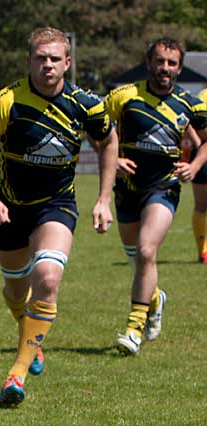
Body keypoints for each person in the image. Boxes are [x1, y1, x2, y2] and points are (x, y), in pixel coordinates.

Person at [0, 27, 118, 405]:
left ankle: (15, 376)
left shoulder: (86, 104)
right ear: (30, 61)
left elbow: (108, 141)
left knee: (48, 277)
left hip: (56, 206)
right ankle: (30, 337)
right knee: (15, 290)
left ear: (67, 62)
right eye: (41, 57)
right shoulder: (8, 102)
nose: (48, 64)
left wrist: (104, 198)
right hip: (7, 208)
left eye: (55, 58)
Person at [105, 38, 207, 356]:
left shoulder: (191, 104)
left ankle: (134, 328)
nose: (165, 68)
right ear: (149, 61)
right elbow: (97, 130)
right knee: (138, 259)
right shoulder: (124, 96)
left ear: (179, 66)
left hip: (164, 187)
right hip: (126, 190)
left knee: (148, 251)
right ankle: (155, 298)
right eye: (160, 61)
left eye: (172, 63)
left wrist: (196, 164)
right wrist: (114, 159)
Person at [182, 87, 207, 263]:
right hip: (204, 156)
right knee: (201, 205)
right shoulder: (204, 96)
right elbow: (187, 120)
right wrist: (199, 145)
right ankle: (203, 252)